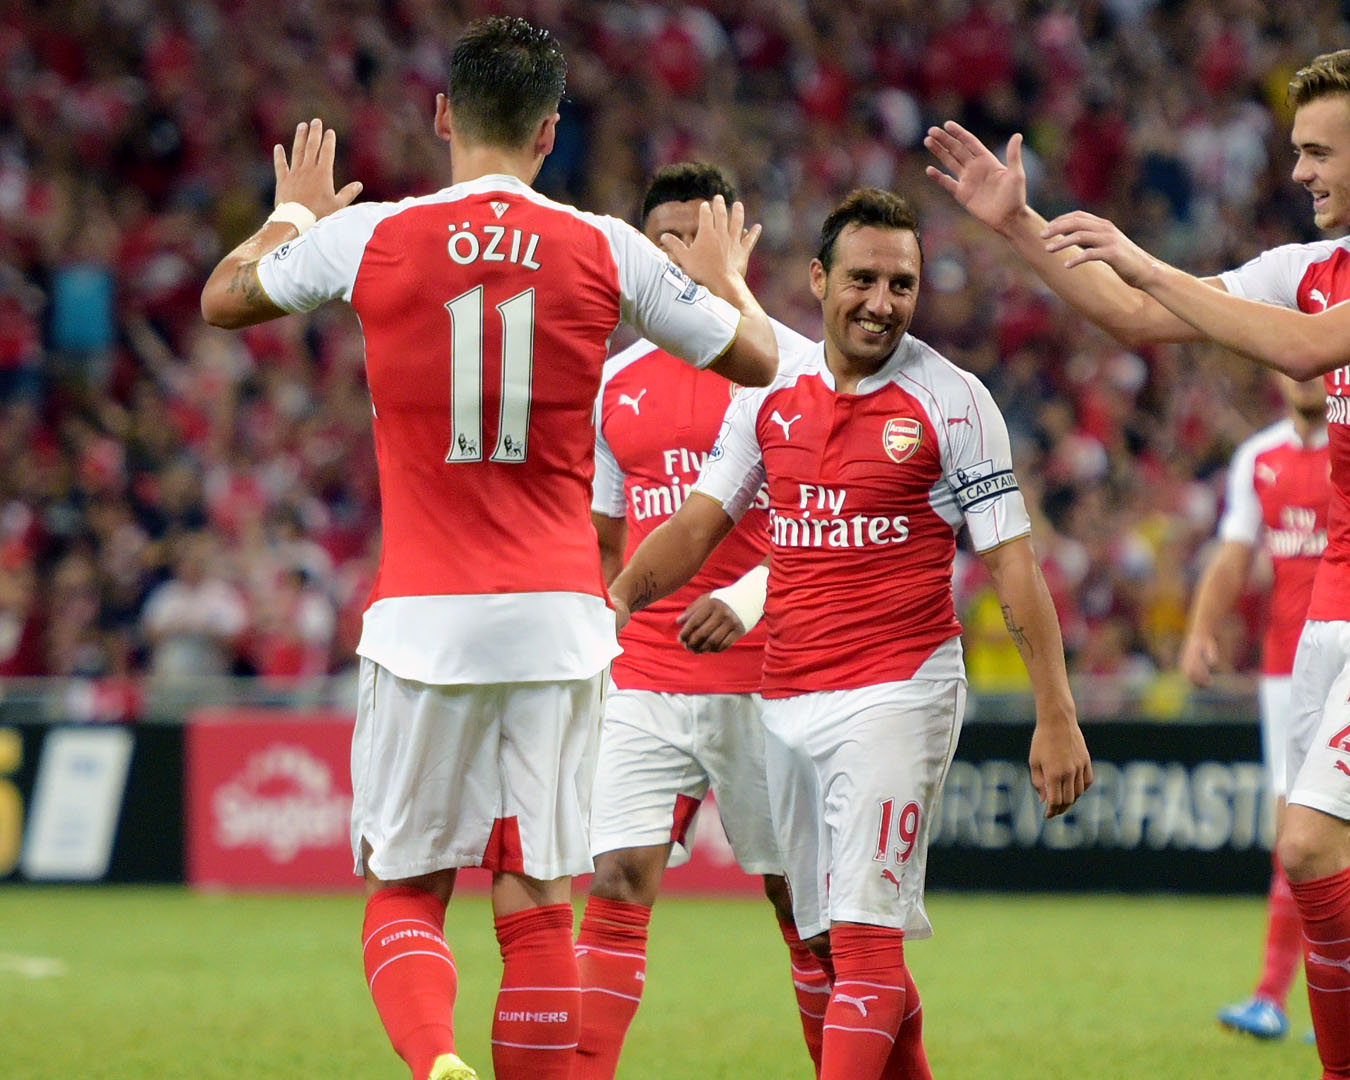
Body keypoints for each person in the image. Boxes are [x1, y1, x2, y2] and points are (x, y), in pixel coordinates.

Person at [199, 17, 779, 1080]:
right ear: (551, 131)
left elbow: (223, 298)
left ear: (440, 117)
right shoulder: (610, 246)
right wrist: (719, 285)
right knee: (538, 900)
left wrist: (289, 214)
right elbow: (752, 359)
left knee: (410, 887)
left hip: (422, 620)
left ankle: (434, 1064)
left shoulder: (370, 236)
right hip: (561, 624)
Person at [927, 45, 1350, 1080]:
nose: (1298, 173)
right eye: (1295, 151)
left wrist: (1147, 258)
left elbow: (1305, 350)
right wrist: (1017, 224)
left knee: (1308, 847)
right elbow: (1136, 316)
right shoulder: (1305, 267)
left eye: (1316, 153)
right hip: (1337, 614)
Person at [608, 188, 1094, 1080]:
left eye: (901, 284)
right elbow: (696, 525)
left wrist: (1054, 712)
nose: (882, 302)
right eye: (864, 279)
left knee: (865, 941)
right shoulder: (770, 396)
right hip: (786, 697)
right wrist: (615, 601)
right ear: (820, 279)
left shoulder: (953, 401)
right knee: (831, 947)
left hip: (899, 688)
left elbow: (1013, 566)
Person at [573, 160, 825, 1079]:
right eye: (666, 240)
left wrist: (751, 596)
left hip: (770, 681)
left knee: (802, 909)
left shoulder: (792, 367)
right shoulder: (615, 383)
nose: (682, 257)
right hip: (645, 679)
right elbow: (607, 536)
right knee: (613, 882)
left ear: (737, 241)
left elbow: (829, 528)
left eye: (701, 236)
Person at [1180, 374, 1331, 1043]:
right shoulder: (1259, 458)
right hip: (1287, 672)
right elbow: (1234, 555)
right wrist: (1200, 632)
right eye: (1293, 362)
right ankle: (1273, 997)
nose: (1306, 374)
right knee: (1294, 835)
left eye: (1319, 360)